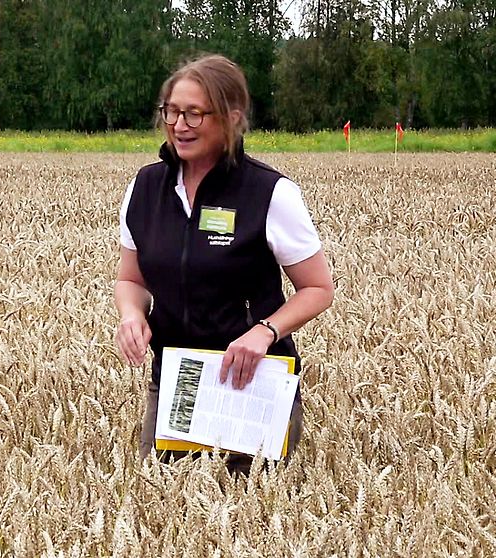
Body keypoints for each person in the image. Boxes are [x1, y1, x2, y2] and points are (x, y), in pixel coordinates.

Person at [114, 55, 334, 471]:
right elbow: (131, 278)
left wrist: (264, 332)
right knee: (164, 513)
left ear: (232, 118)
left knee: (253, 517)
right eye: (172, 111)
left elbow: (319, 289)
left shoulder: (270, 193)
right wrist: (131, 314)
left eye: (194, 114)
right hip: (180, 380)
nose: (179, 125)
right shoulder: (145, 188)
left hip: (252, 382)